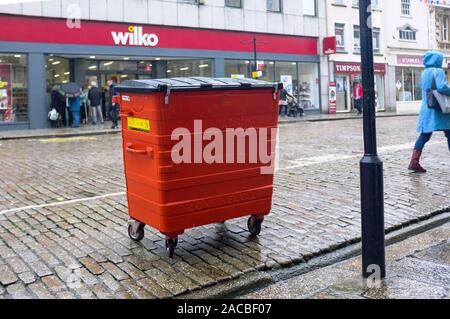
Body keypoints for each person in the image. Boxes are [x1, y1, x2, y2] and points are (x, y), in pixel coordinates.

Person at [408, 51, 450, 173]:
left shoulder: (424, 72)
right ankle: (414, 163)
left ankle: (414, 162)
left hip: (427, 107)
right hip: (439, 108)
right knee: (449, 133)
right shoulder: (438, 71)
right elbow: (442, 87)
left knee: (425, 135)